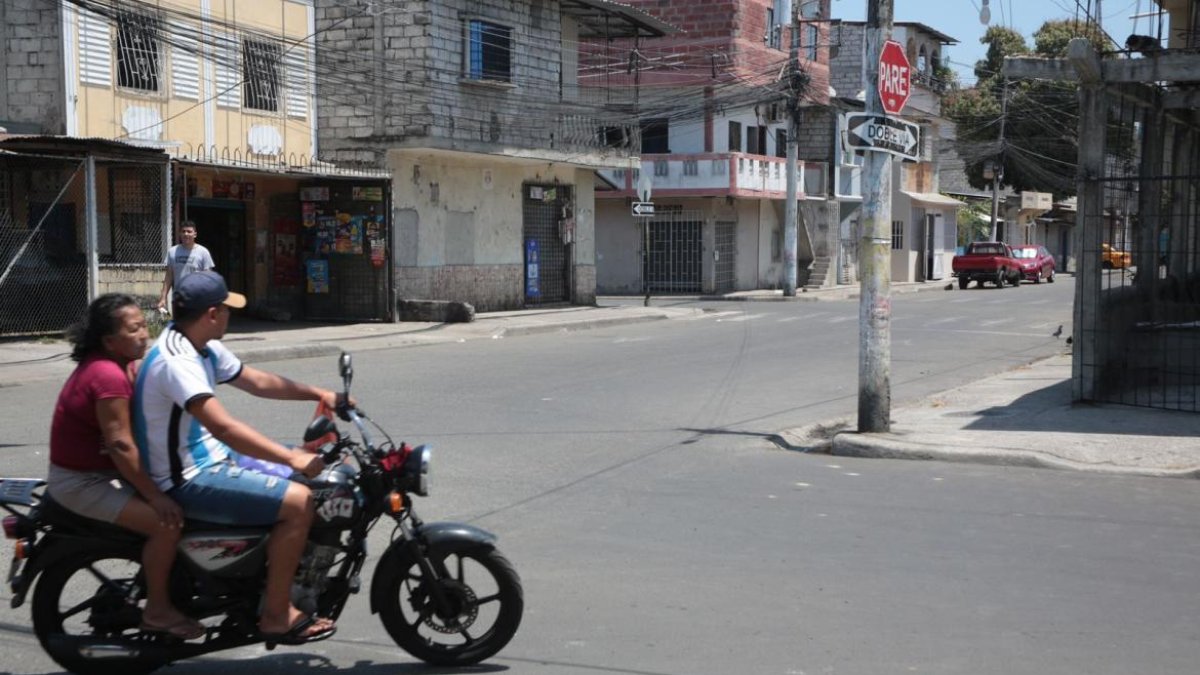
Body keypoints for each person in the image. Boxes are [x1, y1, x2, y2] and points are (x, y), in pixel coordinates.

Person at [134, 271, 340, 645]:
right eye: (227, 309)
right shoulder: (177, 360)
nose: (231, 315)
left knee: (310, 483)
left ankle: (262, 577)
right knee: (300, 503)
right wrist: (290, 457)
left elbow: (256, 381)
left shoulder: (199, 345)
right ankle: (276, 614)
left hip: (209, 460)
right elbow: (224, 428)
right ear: (212, 314)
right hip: (187, 478)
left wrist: (320, 394)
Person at [48, 294, 203, 640]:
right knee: (166, 523)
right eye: (133, 330)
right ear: (109, 340)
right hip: (81, 483)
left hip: (100, 474)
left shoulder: (117, 364)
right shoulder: (107, 375)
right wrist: (155, 496)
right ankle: (158, 611)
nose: (144, 334)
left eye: (144, 325)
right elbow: (120, 444)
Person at [157, 221, 214, 314]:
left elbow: (208, 278)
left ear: (195, 234)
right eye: (183, 231)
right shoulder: (172, 252)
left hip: (197, 298)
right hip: (179, 298)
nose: (186, 234)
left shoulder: (203, 252)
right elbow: (169, 277)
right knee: (180, 326)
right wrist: (163, 298)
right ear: (180, 234)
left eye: (189, 231)